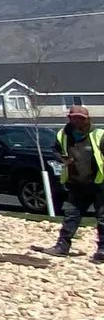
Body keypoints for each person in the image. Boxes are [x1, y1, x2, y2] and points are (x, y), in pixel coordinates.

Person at [47, 104, 104, 260]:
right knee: (71, 216)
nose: (78, 121)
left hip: (99, 183)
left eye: (81, 118)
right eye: (74, 118)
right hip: (76, 182)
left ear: (87, 119)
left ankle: (102, 250)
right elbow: (55, 150)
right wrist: (63, 160)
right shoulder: (63, 134)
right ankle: (62, 246)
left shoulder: (99, 134)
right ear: (69, 118)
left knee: (102, 217)